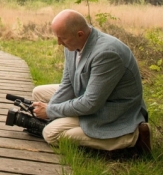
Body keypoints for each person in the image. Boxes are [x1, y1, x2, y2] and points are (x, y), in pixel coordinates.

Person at [31, 9, 150, 154]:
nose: (58, 43)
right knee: (38, 93)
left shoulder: (107, 53)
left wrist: (50, 111)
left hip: (112, 109)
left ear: (80, 34)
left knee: (51, 133)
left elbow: (90, 103)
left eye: (62, 38)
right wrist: (50, 112)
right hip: (88, 94)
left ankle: (131, 136)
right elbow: (67, 85)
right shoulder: (71, 45)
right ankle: (69, 122)